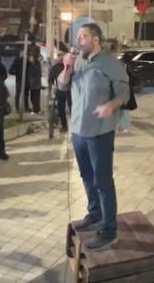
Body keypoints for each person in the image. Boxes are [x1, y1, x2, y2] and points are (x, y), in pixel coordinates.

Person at [58, 23, 130, 249]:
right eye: (78, 37)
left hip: (99, 132)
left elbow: (124, 93)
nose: (79, 41)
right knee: (87, 177)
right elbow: (61, 87)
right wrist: (66, 68)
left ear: (96, 39)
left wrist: (111, 105)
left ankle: (108, 229)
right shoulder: (77, 61)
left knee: (103, 181)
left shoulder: (111, 64)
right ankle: (94, 213)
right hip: (78, 130)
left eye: (83, 37)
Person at [49, 52, 71, 132]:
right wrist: (53, 87)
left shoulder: (70, 67)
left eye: (62, 56)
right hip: (60, 90)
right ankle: (64, 125)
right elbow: (50, 80)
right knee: (61, 109)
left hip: (69, 91)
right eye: (59, 56)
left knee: (70, 109)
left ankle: (70, 126)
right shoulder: (55, 68)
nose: (60, 57)